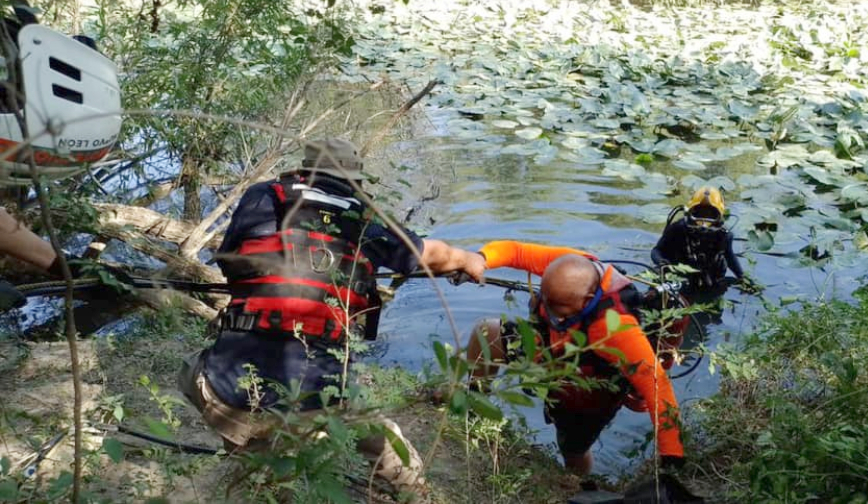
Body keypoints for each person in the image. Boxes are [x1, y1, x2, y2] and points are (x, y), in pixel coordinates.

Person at [178, 137, 487, 500]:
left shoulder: (262, 196)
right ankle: (417, 495)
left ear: (304, 169)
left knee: (190, 371)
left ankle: (257, 459)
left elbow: (234, 263)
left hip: (226, 392)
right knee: (388, 446)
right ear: (355, 180)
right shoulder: (366, 218)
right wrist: (469, 260)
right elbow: (429, 254)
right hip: (320, 399)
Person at [463, 241, 703, 503]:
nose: (552, 313)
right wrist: (478, 258)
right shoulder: (566, 265)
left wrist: (672, 451)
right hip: (548, 350)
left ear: (587, 301)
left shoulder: (617, 328)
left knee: (573, 450)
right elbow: (515, 251)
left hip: (588, 387)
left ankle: (576, 485)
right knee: (487, 332)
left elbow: (655, 382)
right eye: (548, 303)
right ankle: (474, 402)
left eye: (561, 309)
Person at [651, 186, 757, 302]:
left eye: (710, 214)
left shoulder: (724, 235)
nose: (704, 221)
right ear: (691, 211)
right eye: (700, 212)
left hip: (712, 279)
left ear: (719, 215)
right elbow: (657, 251)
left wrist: (742, 277)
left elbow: (729, 256)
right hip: (680, 276)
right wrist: (662, 263)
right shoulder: (678, 228)